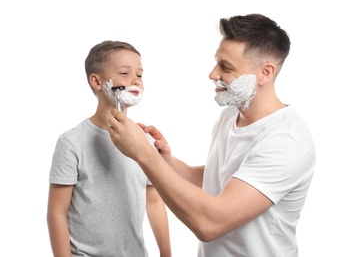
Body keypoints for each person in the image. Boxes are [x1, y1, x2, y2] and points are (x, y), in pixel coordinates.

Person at [107, 14, 316, 257]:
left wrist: (144, 156)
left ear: (265, 73)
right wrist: (168, 162)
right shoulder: (231, 115)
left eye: (226, 67)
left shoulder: (286, 142)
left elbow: (210, 224)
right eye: (217, 63)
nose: (213, 74)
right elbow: (221, 182)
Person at [47, 40, 172, 257]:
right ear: (97, 81)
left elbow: (153, 201)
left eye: (140, 75)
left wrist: (166, 253)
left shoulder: (146, 142)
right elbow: (57, 212)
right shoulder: (72, 142)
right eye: (125, 73)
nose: (136, 81)